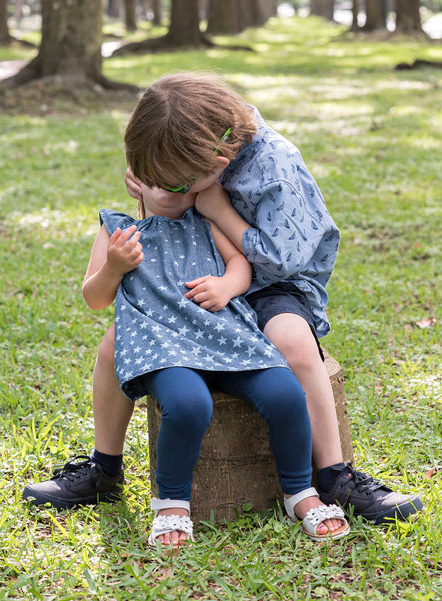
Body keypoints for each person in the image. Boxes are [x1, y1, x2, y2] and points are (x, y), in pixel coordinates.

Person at [23, 72, 422, 530]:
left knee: (293, 341)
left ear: (218, 158)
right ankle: (103, 468)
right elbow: (165, 185)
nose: (174, 190)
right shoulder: (189, 142)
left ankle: (333, 476)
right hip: (198, 280)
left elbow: (283, 259)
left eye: (179, 182)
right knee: (115, 343)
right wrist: (154, 181)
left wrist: (217, 212)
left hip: (271, 282)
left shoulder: (276, 164)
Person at [24, 169, 351, 547]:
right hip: (164, 345)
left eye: (186, 181)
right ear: (136, 179)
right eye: (164, 179)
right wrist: (114, 267)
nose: (176, 189)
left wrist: (228, 285)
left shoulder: (206, 221)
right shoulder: (118, 230)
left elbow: (240, 265)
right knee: (187, 405)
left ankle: (299, 492)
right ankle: (171, 503)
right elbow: (95, 298)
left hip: (226, 337)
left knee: (287, 395)